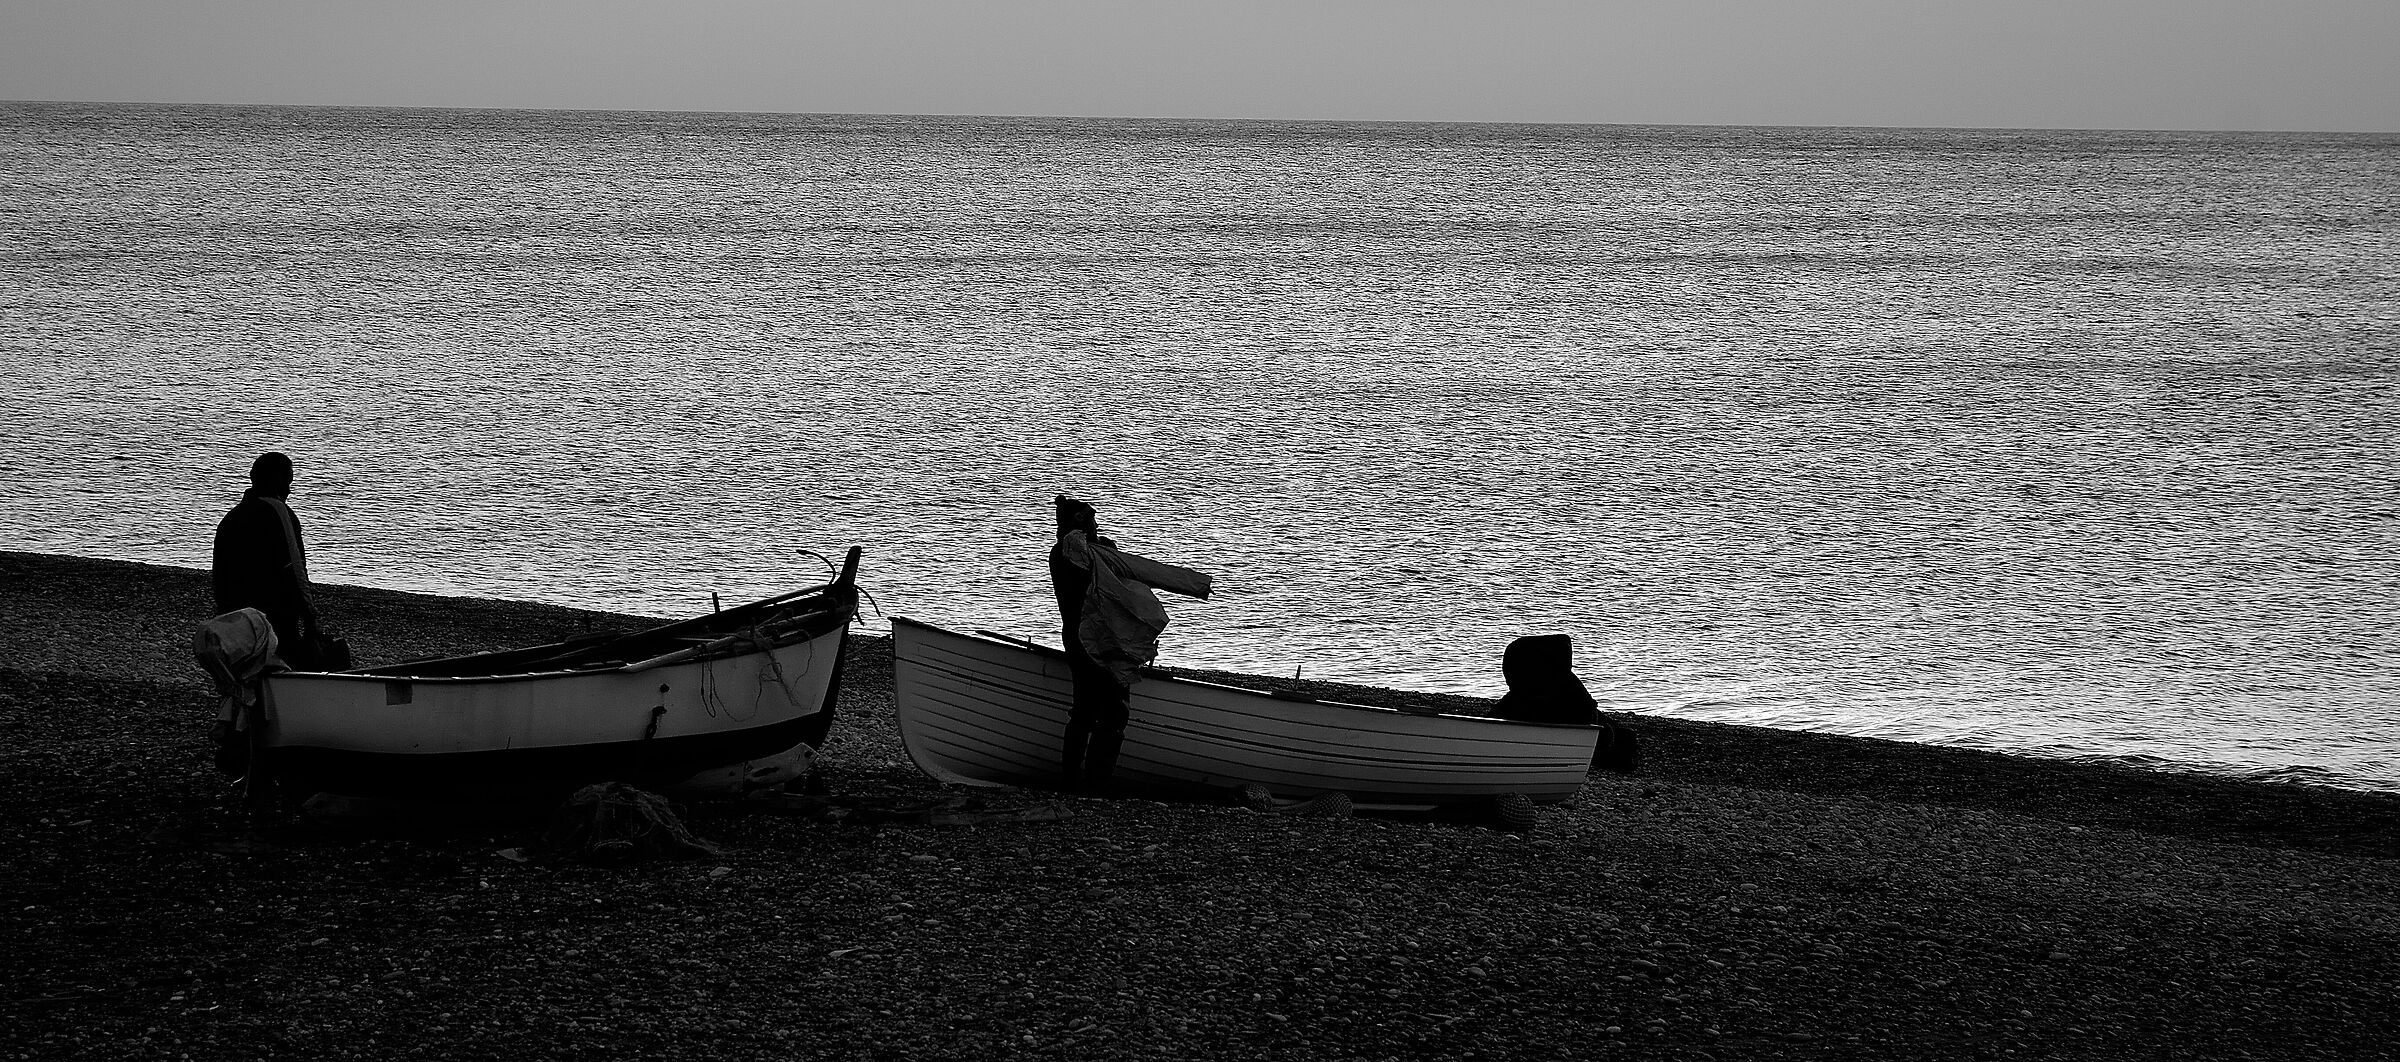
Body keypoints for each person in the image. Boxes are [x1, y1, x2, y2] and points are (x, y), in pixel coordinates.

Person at [1048, 495, 1213, 793]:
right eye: (1092, 522)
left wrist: (1102, 545)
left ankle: (1073, 782)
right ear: (1079, 524)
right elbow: (1090, 556)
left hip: (1085, 639)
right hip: (1095, 641)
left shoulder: (1083, 553)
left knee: (1085, 711)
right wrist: (1095, 541)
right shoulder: (1072, 552)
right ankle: (1093, 785)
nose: (1097, 527)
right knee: (1111, 713)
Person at [211, 451, 323, 665]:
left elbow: (220, 572)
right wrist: (311, 619)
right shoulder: (280, 512)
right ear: (278, 480)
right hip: (274, 617)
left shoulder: (232, 517)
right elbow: (296, 569)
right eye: (288, 481)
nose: (289, 490)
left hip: (234, 616)